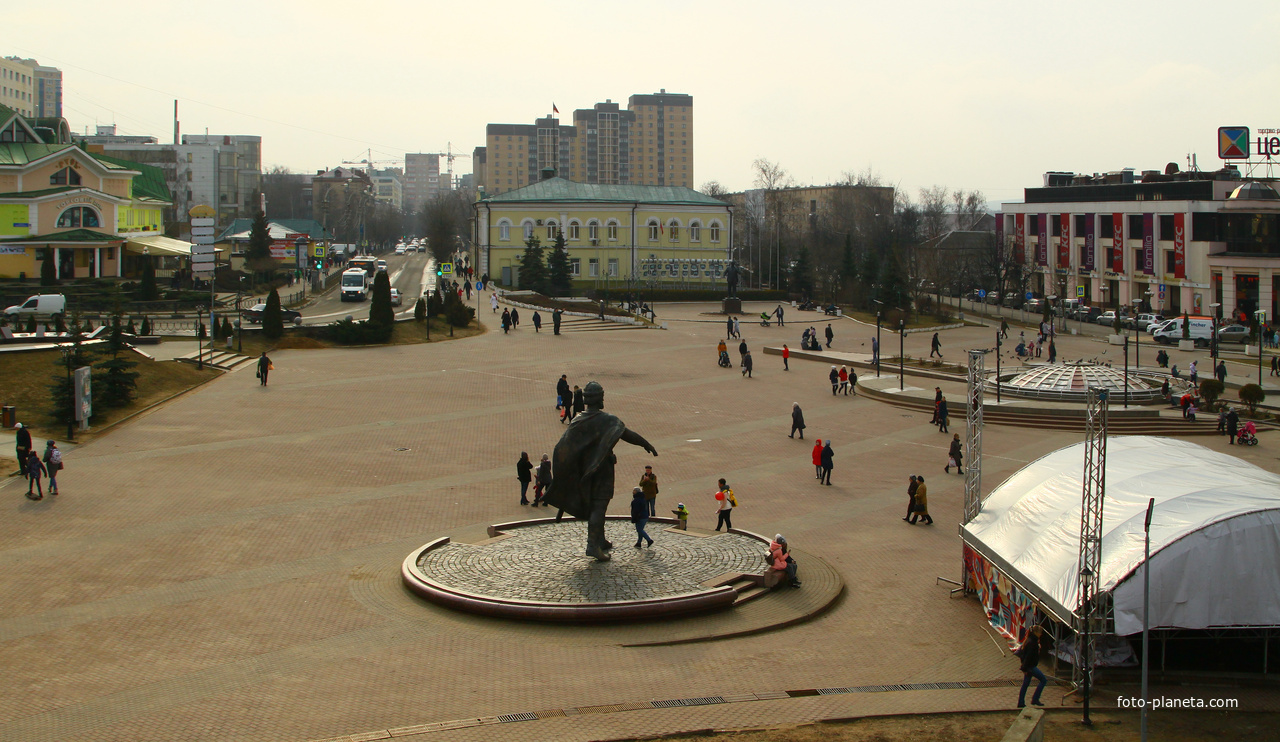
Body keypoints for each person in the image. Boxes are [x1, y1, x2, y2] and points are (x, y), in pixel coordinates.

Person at [543, 381, 658, 561]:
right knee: (598, 507)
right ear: (600, 399)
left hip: (588, 472)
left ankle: (600, 539)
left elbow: (561, 449)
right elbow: (626, 434)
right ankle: (592, 545)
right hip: (601, 471)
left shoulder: (578, 419)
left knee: (599, 507)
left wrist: (567, 472)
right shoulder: (606, 420)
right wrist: (646, 443)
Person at [1016, 625, 1047, 708]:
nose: (1041, 634)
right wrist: (1025, 668)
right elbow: (1028, 656)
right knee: (1043, 680)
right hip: (1030, 666)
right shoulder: (1033, 643)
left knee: (1025, 684)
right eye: (1040, 632)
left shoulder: (1029, 641)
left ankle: (1021, 702)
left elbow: (1024, 655)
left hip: (1028, 666)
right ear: (1036, 632)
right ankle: (1035, 699)